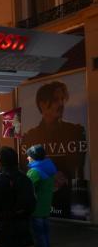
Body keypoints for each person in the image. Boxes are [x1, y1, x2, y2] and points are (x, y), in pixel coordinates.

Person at [20, 81, 86, 218]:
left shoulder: (76, 132)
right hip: (44, 203)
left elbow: (79, 167)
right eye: (56, 100)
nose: (61, 104)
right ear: (42, 104)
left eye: (62, 99)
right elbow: (25, 170)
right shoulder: (29, 137)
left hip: (70, 202)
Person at [26, 144, 57, 247]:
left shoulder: (35, 171)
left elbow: (27, 188)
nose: (27, 158)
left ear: (34, 157)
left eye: (29, 156)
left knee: (39, 238)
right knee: (45, 236)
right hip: (45, 207)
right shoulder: (49, 167)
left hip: (36, 209)